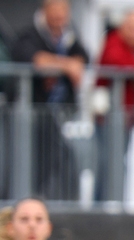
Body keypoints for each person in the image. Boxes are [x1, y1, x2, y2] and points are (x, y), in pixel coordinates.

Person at [11, 0, 89, 200]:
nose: (59, 16)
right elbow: (34, 59)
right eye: (54, 10)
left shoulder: (69, 37)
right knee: (31, 164)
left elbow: (83, 58)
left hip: (61, 114)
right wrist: (67, 66)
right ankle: (26, 203)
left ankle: (53, 205)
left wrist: (61, 64)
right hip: (31, 116)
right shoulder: (29, 35)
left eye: (63, 11)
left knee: (66, 161)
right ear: (44, 11)